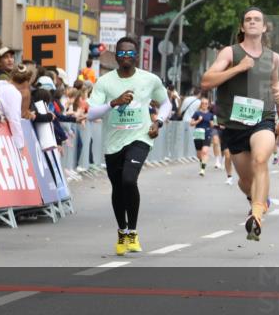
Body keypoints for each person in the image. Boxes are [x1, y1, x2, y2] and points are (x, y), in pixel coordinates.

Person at [201, 7, 279, 241]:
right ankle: (258, 200)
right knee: (246, 181)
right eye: (247, 19)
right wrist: (239, 68)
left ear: (263, 27)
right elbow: (207, 81)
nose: (252, 22)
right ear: (242, 27)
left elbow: (274, 86)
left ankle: (257, 214)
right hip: (235, 124)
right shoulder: (230, 53)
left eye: (256, 19)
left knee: (261, 160)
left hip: (263, 119)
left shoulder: (273, 58)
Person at [87, 37, 171, 256]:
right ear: (116, 57)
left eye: (130, 53)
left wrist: (158, 121)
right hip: (113, 142)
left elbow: (166, 103)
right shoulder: (105, 82)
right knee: (118, 187)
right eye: (122, 54)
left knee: (129, 180)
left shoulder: (149, 79)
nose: (126, 57)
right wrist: (113, 103)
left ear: (136, 55)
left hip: (140, 137)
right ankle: (122, 230)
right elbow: (91, 113)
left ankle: (132, 231)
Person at [190, 97, 215, 177]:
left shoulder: (210, 115)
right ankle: (202, 162)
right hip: (198, 134)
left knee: (205, 151)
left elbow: (212, 124)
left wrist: (213, 124)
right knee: (199, 154)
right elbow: (191, 123)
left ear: (208, 105)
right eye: (203, 103)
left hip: (207, 133)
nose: (204, 105)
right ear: (200, 104)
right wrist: (198, 121)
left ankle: (202, 170)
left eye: (206, 103)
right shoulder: (197, 113)